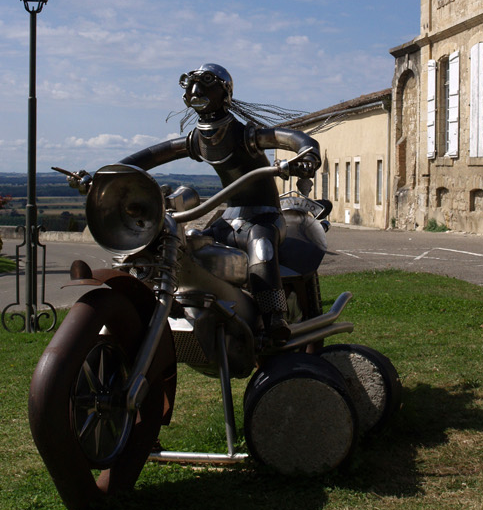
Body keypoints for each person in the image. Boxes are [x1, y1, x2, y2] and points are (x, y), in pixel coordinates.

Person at [73, 63, 320, 343]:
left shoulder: (245, 134)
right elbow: (150, 157)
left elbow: (288, 138)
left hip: (264, 216)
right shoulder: (198, 138)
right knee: (190, 245)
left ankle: (275, 319)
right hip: (228, 218)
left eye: (205, 81)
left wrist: (307, 153)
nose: (194, 89)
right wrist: (101, 177)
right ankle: (190, 302)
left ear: (225, 91)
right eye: (189, 82)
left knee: (261, 248)